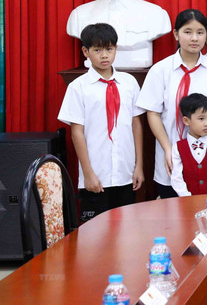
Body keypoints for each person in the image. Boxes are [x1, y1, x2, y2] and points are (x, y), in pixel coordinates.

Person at [57, 23, 144, 223]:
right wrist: (88, 173)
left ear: (116, 49)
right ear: (85, 52)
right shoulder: (78, 87)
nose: (104, 55)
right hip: (96, 174)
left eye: (109, 49)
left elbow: (136, 125)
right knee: (95, 233)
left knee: (127, 229)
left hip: (126, 173)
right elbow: (77, 132)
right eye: (97, 50)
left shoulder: (129, 83)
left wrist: (138, 165)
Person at [137, 9, 207, 199]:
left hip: (206, 158)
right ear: (176, 34)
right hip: (170, 157)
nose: (194, 38)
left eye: (200, 32)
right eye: (188, 32)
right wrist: (168, 148)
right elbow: (153, 113)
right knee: (174, 212)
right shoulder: (160, 70)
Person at [170, 94, 207, 196]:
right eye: (201, 119)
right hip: (187, 201)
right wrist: (187, 197)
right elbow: (176, 178)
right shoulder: (178, 147)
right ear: (186, 121)